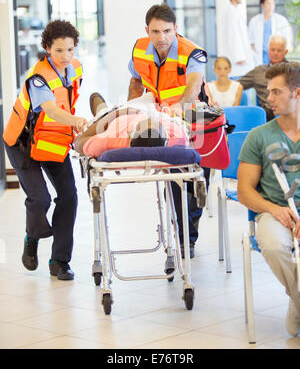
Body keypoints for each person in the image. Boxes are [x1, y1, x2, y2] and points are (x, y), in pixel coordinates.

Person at [3, 20, 88, 281]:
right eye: (59, 51)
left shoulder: (74, 68)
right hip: (21, 143)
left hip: (52, 139)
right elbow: (50, 109)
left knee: (69, 196)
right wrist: (77, 122)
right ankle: (32, 236)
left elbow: (66, 103)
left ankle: (59, 261)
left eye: (70, 50)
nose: (66, 56)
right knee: (41, 200)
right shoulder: (38, 78)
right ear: (47, 48)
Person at [127, 3, 211, 258]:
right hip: (165, 119)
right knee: (174, 179)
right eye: (155, 31)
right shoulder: (140, 49)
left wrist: (179, 108)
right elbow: (136, 81)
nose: (161, 38)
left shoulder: (192, 52)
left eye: (166, 31)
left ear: (176, 29)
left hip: (196, 117)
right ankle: (184, 239)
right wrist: (132, 111)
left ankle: (189, 233)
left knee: (196, 180)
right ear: (147, 30)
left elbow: (194, 85)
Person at [237, 61, 300, 337]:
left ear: (297, 94)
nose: (268, 98)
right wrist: (274, 210)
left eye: (276, 92)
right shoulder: (258, 136)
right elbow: (245, 191)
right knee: (273, 245)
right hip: (273, 213)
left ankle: (297, 303)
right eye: (268, 91)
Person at [74, 92, 189, 157]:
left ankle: (101, 110)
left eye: (144, 122)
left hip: (119, 115)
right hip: (147, 108)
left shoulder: (111, 141)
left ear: (131, 132)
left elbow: (79, 143)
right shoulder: (176, 136)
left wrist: (116, 114)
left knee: (102, 112)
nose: (148, 118)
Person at [238, 35, 289, 121]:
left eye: (279, 50)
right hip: (267, 116)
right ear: (268, 51)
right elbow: (235, 85)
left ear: (285, 52)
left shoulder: (293, 70)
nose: (275, 53)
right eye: (273, 50)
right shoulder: (258, 71)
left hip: (290, 114)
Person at [248, 0, 293, 66]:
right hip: (260, 55)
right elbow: (250, 39)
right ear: (262, 5)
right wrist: (255, 51)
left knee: (275, 73)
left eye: (273, 3)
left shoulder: (281, 20)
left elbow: (287, 37)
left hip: (276, 53)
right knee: (261, 74)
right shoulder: (254, 21)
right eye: (268, 3)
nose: (271, 6)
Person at [221, 0, 254, 77]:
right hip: (237, 61)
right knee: (239, 87)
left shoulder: (235, 12)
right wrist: (238, 57)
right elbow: (233, 36)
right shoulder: (231, 13)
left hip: (240, 59)